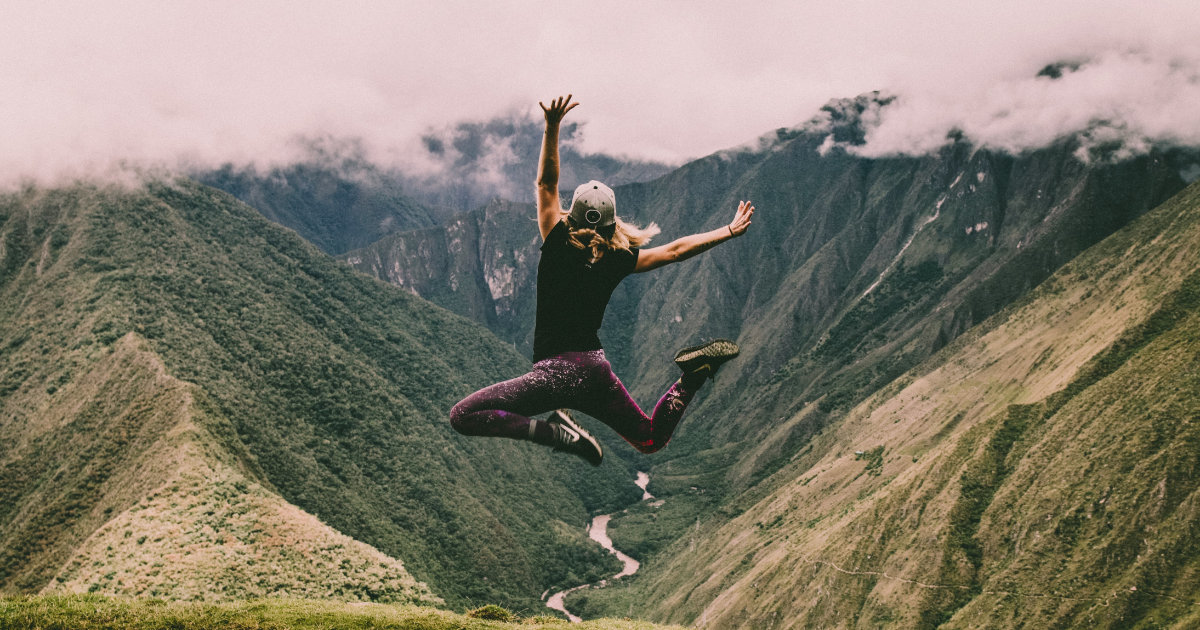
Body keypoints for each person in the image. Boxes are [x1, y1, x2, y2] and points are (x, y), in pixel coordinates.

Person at [449, 95, 754, 465]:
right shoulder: (619, 257)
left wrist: (552, 125)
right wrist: (728, 230)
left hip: (555, 374)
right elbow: (674, 251)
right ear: (612, 222)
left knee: (463, 416)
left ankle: (554, 433)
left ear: (571, 215)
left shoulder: (557, 241)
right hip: (595, 371)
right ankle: (691, 377)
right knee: (650, 439)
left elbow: (547, 183)